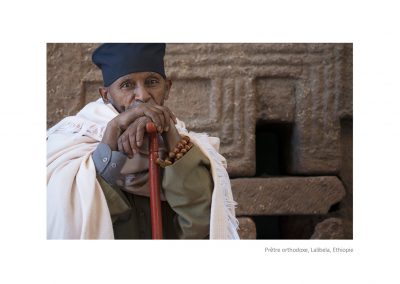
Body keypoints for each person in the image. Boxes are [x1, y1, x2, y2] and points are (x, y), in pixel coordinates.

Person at [47, 43, 239, 239]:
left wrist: (169, 132)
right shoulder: (72, 141)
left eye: (152, 82)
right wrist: (113, 130)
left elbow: (200, 227)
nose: (143, 95)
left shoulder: (187, 143)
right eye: (127, 85)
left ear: (167, 88)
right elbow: (82, 219)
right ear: (106, 95)